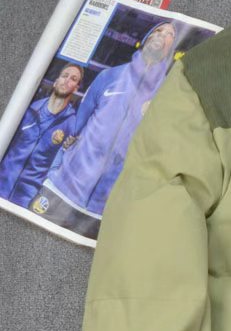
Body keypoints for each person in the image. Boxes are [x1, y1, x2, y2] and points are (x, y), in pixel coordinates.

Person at [32, 21, 178, 226]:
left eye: (169, 34)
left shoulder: (166, 95)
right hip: (66, 185)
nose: (161, 35)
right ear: (146, 38)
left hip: (104, 204)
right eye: (158, 30)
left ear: (172, 48)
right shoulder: (109, 76)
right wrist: (55, 169)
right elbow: (75, 127)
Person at [0, 63, 82, 208]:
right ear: (56, 81)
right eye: (65, 76)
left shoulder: (72, 125)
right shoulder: (29, 109)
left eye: (73, 79)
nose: (67, 80)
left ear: (76, 88)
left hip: (27, 199)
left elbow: (60, 166)